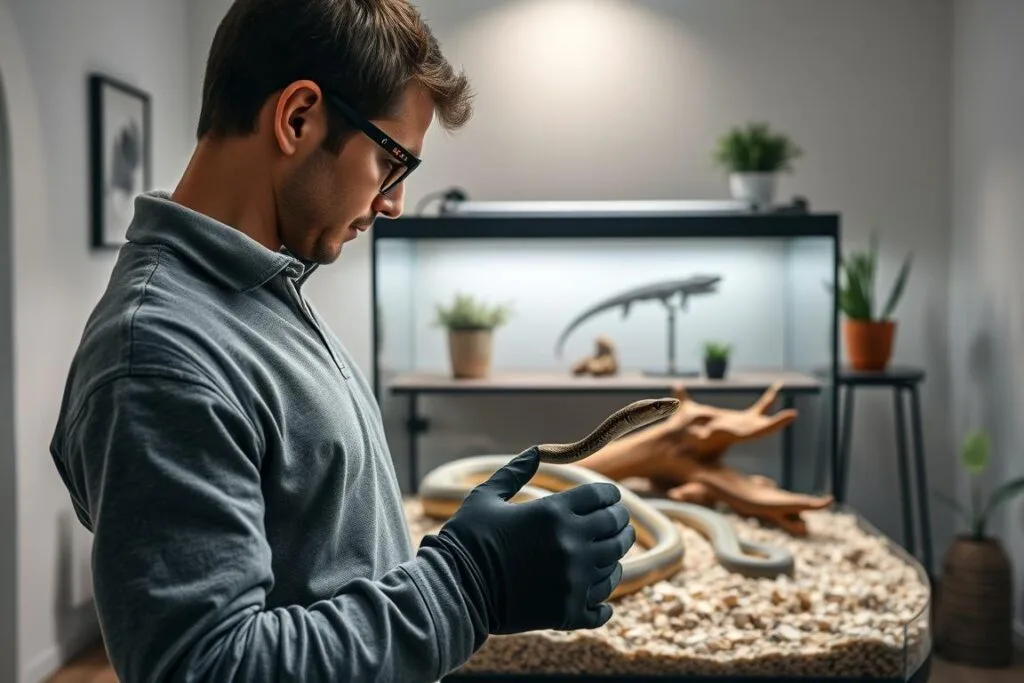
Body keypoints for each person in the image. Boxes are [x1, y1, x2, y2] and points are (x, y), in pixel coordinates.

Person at [48, 1, 636, 681]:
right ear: (298, 117)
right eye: (391, 160)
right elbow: (208, 666)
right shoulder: (159, 355)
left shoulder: (261, 293)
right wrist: (470, 583)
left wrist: (469, 568)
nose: (394, 203)